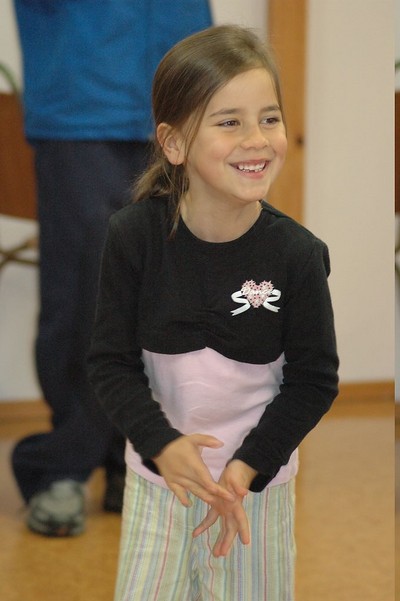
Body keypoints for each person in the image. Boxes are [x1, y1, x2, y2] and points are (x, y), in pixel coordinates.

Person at [88, 24, 339, 600]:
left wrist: (247, 469)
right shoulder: (132, 238)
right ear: (174, 143)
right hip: (160, 483)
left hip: (256, 490)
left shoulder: (298, 254)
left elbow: (313, 380)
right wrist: (162, 445)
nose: (257, 140)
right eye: (229, 122)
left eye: (269, 118)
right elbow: (110, 363)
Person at [11, 0, 212, 537]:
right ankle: (65, 461)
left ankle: (141, 454)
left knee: (169, 288)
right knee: (83, 290)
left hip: (183, 96)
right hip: (81, 99)